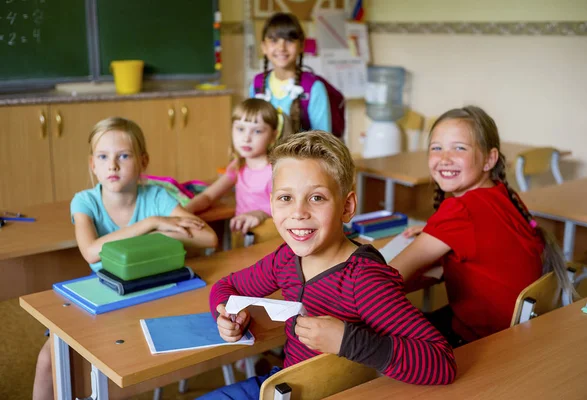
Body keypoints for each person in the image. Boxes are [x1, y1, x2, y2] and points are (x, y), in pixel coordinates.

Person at [197, 131, 457, 399]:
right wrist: (225, 317)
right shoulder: (285, 259)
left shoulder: (364, 279)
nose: (299, 213)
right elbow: (227, 286)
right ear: (272, 205)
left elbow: (441, 362)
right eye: (286, 198)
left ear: (347, 207)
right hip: (285, 386)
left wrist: (347, 341)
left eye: (317, 198)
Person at [32, 117, 218, 400]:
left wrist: (166, 222)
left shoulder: (156, 196)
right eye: (103, 157)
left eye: (124, 156)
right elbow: (91, 251)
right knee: (49, 360)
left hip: (152, 297)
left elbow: (208, 239)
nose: (113, 165)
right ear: (93, 164)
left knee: (127, 366)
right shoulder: (85, 201)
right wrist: (152, 224)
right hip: (102, 299)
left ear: (143, 162)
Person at [390, 106, 574, 347]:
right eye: (436, 148)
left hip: (480, 344)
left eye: (459, 148)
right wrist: (433, 234)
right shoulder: (502, 194)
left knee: (379, 332)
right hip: (514, 333)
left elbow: (389, 276)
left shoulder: (461, 211)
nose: (444, 158)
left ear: (490, 159)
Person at [186, 98, 291, 242]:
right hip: (241, 238)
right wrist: (186, 210)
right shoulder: (237, 166)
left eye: (257, 131)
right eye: (240, 129)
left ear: (273, 135)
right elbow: (209, 196)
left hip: (270, 240)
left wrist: (260, 214)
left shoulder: (275, 171)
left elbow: (289, 209)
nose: (246, 138)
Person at [250, 12, 332, 134]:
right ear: (263, 47)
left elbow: (324, 142)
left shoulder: (313, 88)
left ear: (301, 46)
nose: (281, 47)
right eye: (274, 40)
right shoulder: (257, 84)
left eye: (289, 40)